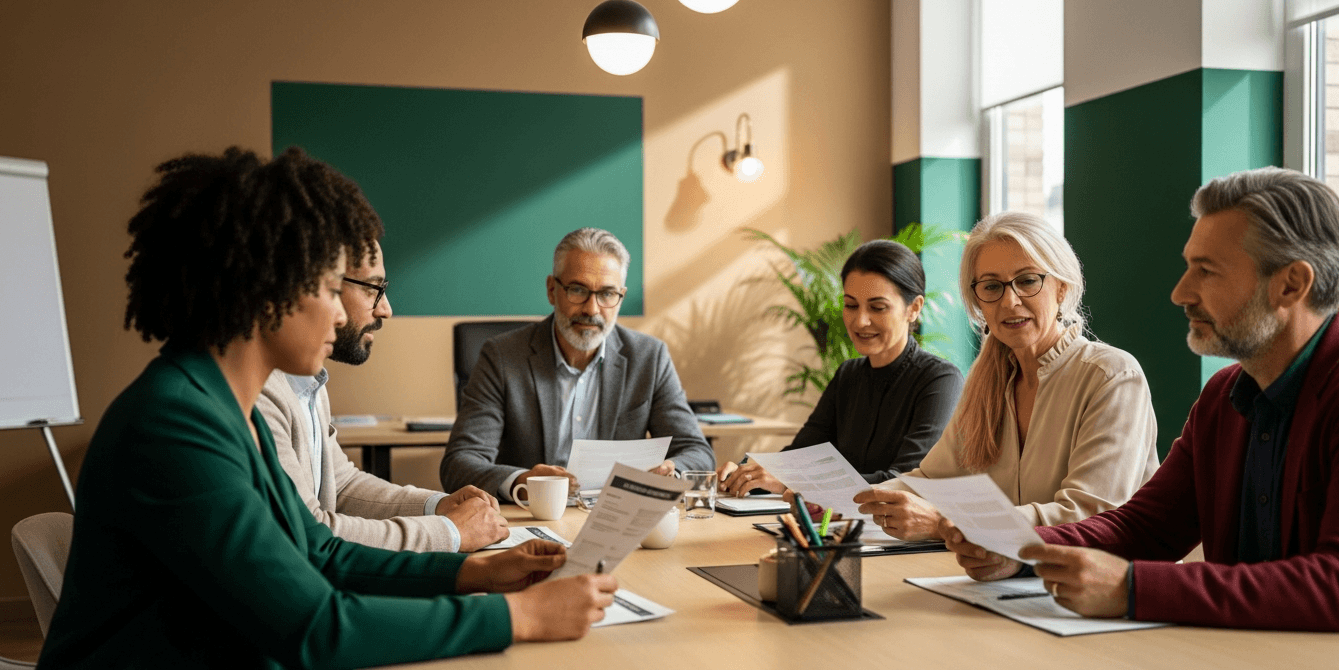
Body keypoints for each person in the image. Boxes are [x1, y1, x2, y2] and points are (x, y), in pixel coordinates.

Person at [20, 148, 616, 670]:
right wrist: (524, 618)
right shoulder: (175, 425)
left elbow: (318, 553)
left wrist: (480, 570)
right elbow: (314, 626)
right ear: (269, 287)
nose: (343, 312)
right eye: (333, 289)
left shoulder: (232, 411)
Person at [942, 168, 1339, 641]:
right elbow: (1145, 528)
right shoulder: (1222, 397)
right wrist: (1020, 546)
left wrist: (1133, 587)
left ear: (1291, 285)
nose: (1181, 293)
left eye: (1207, 271)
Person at [853, 211, 1160, 540]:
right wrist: (843, 505)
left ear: (1061, 288)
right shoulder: (986, 382)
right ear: (979, 302)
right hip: (1013, 576)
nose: (1010, 301)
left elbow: (1088, 515)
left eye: (1028, 280)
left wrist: (946, 522)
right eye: (992, 286)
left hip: (1106, 583)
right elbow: (929, 482)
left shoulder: (1111, 375)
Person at [257, 236, 509, 552]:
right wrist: (449, 532)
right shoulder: (259, 392)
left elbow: (343, 485)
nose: (387, 309)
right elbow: (313, 535)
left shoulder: (308, 381)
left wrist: (438, 505)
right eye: (372, 289)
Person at [440, 227, 714, 497]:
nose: (591, 309)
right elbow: (459, 464)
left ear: (620, 298)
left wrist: (671, 470)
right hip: (533, 519)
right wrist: (523, 481)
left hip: (616, 518)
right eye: (577, 290)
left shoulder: (649, 358)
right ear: (551, 290)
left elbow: (697, 452)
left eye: (607, 294)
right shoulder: (502, 357)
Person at [718, 239, 964, 495]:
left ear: (913, 308)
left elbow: (903, 481)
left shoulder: (940, 380)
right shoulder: (849, 374)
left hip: (897, 532)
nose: (861, 321)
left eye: (877, 307)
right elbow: (800, 455)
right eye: (851, 305)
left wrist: (795, 482)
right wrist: (746, 473)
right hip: (837, 526)